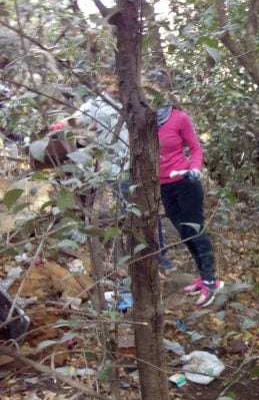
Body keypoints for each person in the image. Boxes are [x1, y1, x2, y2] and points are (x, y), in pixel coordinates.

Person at [50, 73, 173, 270]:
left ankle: (159, 255)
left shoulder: (135, 102)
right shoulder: (97, 104)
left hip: (139, 165)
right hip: (115, 170)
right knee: (130, 213)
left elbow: (160, 115)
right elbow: (76, 119)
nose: (115, 86)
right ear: (105, 82)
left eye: (118, 81)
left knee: (149, 210)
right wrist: (57, 126)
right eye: (110, 81)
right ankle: (140, 258)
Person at [144, 68, 222, 307]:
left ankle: (211, 282)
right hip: (165, 186)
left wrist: (195, 168)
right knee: (183, 233)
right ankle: (202, 276)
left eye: (153, 90)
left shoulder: (179, 118)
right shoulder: (145, 121)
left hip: (185, 183)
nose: (149, 96)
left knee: (196, 231)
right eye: (146, 91)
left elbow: (195, 148)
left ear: (164, 91)